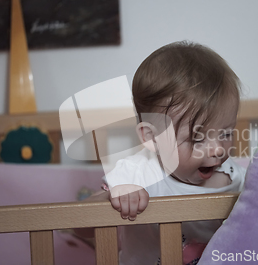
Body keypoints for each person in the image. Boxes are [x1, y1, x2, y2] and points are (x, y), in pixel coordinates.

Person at [80, 41, 246, 265]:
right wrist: (113, 197)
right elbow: (80, 224)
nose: (217, 149)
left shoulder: (234, 175)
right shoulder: (137, 173)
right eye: (197, 138)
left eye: (226, 134)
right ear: (151, 138)